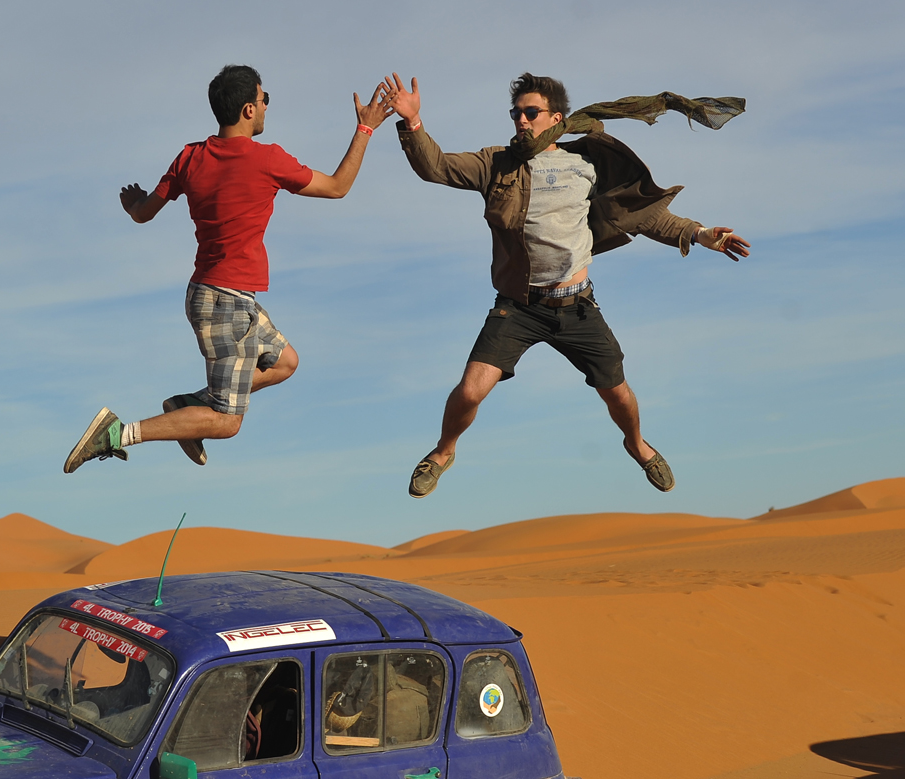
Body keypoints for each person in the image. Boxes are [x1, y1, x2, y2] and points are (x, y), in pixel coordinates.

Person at [381, 73, 751, 498]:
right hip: (519, 307)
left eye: (531, 112)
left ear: (555, 118)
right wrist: (412, 122)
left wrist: (702, 233)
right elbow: (436, 167)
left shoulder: (587, 165)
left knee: (619, 395)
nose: (521, 120)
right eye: (516, 113)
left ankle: (636, 443)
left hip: (577, 307)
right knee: (469, 390)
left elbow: (644, 217)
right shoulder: (497, 163)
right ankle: (444, 451)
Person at [64, 65, 393, 473]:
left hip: (218, 296)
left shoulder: (189, 157)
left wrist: (132, 204)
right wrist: (366, 129)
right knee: (227, 420)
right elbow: (338, 186)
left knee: (285, 361)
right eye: (265, 98)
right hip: (227, 305)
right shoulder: (269, 159)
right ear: (249, 109)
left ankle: (186, 407)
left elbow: (144, 213)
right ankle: (117, 433)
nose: (268, 105)